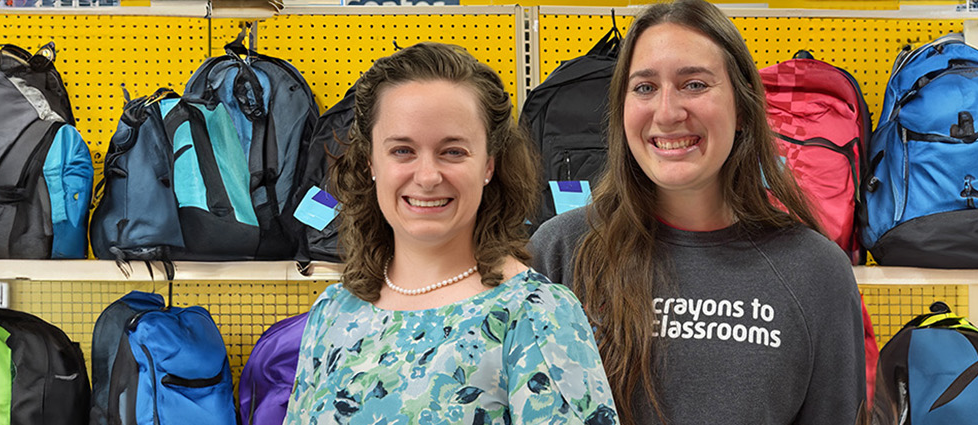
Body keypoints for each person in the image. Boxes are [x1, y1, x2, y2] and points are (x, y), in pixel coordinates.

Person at [528, 0, 871, 423]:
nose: (668, 112)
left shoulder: (817, 273)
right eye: (645, 87)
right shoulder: (560, 252)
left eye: (694, 85)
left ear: (743, 108)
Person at [287, 42, 619, 425]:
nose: (427, 176)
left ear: (489, 165)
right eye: (402, 151)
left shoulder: (535, 315)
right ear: (371, 163)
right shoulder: (332, 312)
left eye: (453, 152)